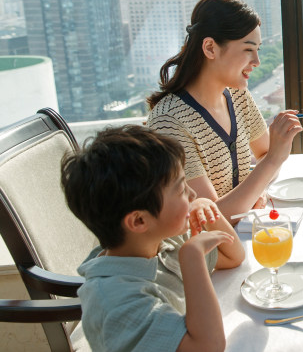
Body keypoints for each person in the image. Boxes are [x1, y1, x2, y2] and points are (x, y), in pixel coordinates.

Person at [61, 125, 246, 352]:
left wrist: (209, 212)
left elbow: (233, 256)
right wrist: (193, 258)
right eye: (180, 190)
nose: (193, 194)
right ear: (139, 221)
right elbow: (208, 347)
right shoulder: (115, 301)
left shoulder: (161, 243)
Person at [146, 0, 303, 221]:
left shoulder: (237, 95)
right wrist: (271, 163)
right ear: (210, 48)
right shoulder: (168, 122)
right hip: (203, 252)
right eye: (248, 49)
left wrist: (257, 189)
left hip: (239, 238)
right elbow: (212, 219)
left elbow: (264, 152)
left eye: (258, 49)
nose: (257, 61)